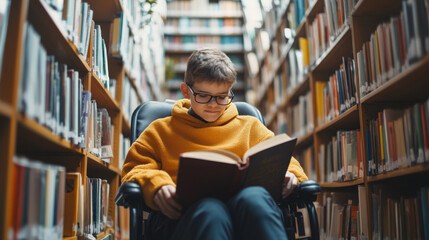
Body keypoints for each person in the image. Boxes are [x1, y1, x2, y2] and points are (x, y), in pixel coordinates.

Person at [121, 47, 308, 240]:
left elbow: (283, 158)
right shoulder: (159, 130)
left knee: (255, 199)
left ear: (230, 92)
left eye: (221, 97)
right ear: (186, 91)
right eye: (203, 95)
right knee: (211, 211)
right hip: (183, 219)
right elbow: (134, 170)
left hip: (245, 214)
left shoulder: (250, 127)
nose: (213, 104)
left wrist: (290, 174)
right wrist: (157, 185)